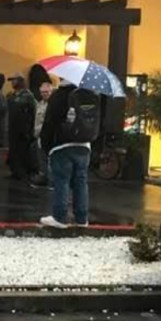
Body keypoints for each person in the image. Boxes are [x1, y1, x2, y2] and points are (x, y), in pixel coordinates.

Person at [40, 79, 100, 228]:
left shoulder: (59, 96)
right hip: (85, 145)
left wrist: (46, 146)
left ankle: (60, 218)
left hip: (62, 145)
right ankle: (82, 218)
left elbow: (50, 122)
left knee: (62, 181)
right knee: (81, 182)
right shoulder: (90, 95)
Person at [6, 73, 37, 181]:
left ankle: (23, 173)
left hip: (23, 129)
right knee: (13, 151)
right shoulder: (11, 95)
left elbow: (33, 112)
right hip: (12, 128)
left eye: (14, 80)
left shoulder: (28, 96)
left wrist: (30, 129)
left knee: (22, 151)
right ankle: (15, 171)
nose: (12, 82)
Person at [30, 81, 54, 186]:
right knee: (41, 158)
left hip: (48, 136)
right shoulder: (39, 104)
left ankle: (51, 181)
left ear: (51, 91)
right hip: (39, 135)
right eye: (43, 92)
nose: (44, 94)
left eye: (47, 92)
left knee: (50, 160)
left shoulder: (53, 105)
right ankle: (43, 177)